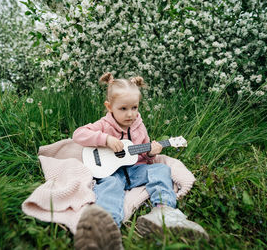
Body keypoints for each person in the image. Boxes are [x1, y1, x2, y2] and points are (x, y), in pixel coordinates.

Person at [73, 73, 208, 249]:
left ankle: (163, 211)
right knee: (109, 187)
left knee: (160, 169)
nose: (130, 114)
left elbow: (143, 155)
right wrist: (106, 140)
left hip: (135, 171)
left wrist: (151, 153)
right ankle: (106, 227)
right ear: (109, 107)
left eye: (134, 107)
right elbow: (78, 134)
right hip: (111, 173)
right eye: (123, 109)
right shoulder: (104, 124)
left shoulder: (139, 126)